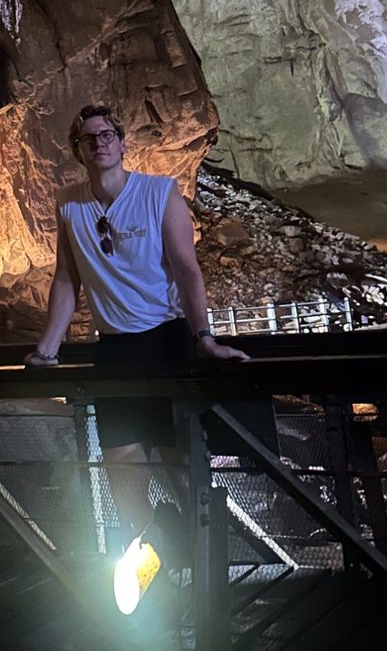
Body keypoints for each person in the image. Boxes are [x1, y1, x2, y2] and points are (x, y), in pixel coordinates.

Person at [26, 102, 248, 565]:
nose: (100, 143)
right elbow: (67, 278)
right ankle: (151, 565)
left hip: (166, 341)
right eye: (90, 139)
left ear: (122, 144)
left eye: (107, 135)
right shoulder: (70, 205)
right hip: (115, 349)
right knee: (121, 466)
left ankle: (206, 567)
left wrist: (203, 338)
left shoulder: (159, 193)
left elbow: (187, 271)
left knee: (180, 466)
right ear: (78, 151)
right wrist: (47, 349)